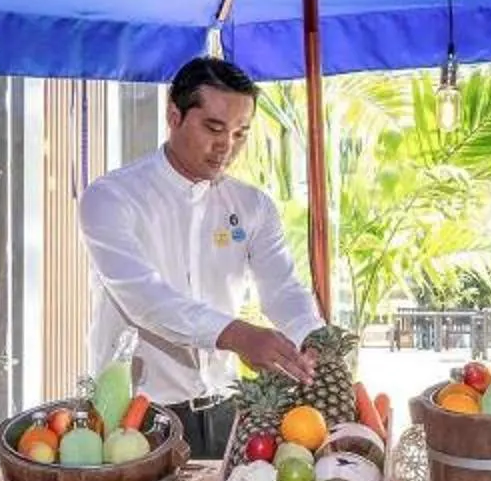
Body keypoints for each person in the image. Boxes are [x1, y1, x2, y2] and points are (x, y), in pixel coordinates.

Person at [77, 55, 325, 459]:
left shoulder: (252, 205)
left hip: (226, 414)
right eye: (214, 128)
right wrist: (239, 335)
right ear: (173, 115)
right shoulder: (111, 198)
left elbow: (282, 288)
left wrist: (310, 337)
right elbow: (146, 301)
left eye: (241, 133)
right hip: (136, 419)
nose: (227, 147)